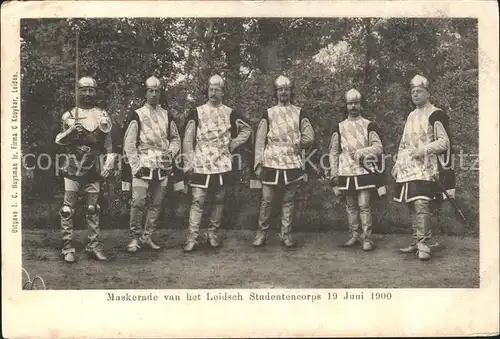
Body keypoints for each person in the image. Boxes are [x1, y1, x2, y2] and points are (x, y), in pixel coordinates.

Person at [182, 74, 251, 252]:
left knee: (219, 199)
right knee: (198, 199)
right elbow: (188, 139)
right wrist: (188, 162)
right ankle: (192, 237)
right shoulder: (197, 112)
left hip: (221, 161)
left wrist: (233, 143)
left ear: (222, 92)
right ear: (208, 90)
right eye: (211, 89)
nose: (213, 93)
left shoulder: (229, 112)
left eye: (217, 90)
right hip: (201, 160)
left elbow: (247, 129)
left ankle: (212, 233)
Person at [392, 75, 455, 261]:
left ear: (428, 93)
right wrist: (397, 162)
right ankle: (417, 240)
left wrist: (424, 150)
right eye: (413, 92)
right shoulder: (411, 115)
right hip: (408, 167)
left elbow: (444, 142)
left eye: (419, 91)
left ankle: (424, 244)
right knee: (412, 203)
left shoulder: (436, 114)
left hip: (427, 166)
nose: (416, 94)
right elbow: (403, 142)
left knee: (421, 203)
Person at [55, 76, 115, 263]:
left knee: (92, 208)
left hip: (93, 167)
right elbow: (58, 141)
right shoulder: (70, 115)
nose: (88, 93)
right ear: (78, 91)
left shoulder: (102, 115)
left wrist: (109, 164)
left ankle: (93, 245)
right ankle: (67, 246)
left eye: (91, 90)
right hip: (73, 165)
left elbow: (109, 145)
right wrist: (71, 131)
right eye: (84, 89)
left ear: (95, 92)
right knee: (67, 208)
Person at [252, 75, 315, 248]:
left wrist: (299, 145)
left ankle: (286, 234)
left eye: (286, 89)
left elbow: (309, 136)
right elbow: (259, 140)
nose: (283, 92)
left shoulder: (299, 112)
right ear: (276, 92)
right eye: (280, 89)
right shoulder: (269, 113)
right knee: (266, 200)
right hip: (270, 161)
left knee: (289, 200)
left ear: (290, 91)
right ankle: (261, 234)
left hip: (291, 161)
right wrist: (258, 163)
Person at [122, 76, 181, 253]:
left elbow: (175, 139)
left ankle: (147, 236)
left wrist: (171, 152)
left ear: (160, 93)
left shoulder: (167, 115)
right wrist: (135, 165)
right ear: (145, 93)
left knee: (156, 203)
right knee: (138, 201)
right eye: (150, 91)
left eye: (157, 91)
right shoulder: (137, 114)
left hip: (162, 164)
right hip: (143, 163)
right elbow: (129, 144)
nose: (154, 94)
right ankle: (134, 238)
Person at [328, 88, 385, 251]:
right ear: (346, 105)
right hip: (346, 171)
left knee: (364, 205)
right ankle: (354, 235)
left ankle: (367, 238)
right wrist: (334, 172)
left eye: (356, 103)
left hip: (364, 170)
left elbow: (378, 147)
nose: (353, 106)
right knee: (351, 206)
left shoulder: (368, 125)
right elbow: (333, 152)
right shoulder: (339, 127)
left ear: (361, 105)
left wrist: (361, 152)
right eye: (350, 103)